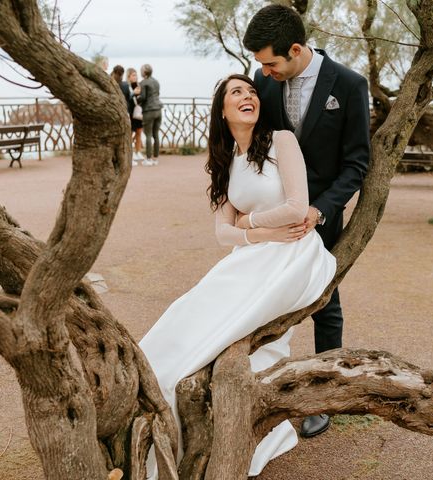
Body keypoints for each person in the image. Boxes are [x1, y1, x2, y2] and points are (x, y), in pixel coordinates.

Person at [139, 74, 336, 478]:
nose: (247, 96)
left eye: (251, 91)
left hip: (292, 253)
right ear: (223, 110)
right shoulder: (227, 162)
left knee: (233, 327)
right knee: (189, 310)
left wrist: (248, 220)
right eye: (236, 93)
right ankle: (154, 390)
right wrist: (257, 230)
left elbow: (298, 208)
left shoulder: (283, 140)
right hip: (253, 251)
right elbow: (222, 232)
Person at [243, 4, 371, 438]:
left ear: (295, 49)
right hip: (275, 214)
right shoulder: (264, 81)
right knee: (263, 295)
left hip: (323, 215)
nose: (264, 72)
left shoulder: (351, 86)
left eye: (270, 62)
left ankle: (324, 394)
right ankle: (257, 387)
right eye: (261, 65)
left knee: (324, 300)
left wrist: (320, 210)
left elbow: (356, 165)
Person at [136, 63, 162, 166]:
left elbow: (143, 97)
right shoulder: (156, 82)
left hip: (149, 110)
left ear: (144, 72)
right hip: (158, 109)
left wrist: (136, 98)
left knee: (148, 135)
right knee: (156, 134)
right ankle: (155, 158)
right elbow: (157, 94)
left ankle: (148, 158)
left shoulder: (143, 83)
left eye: (141, 70)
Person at [126, 67, 145, 164]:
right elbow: (127, 99)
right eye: (133, 75)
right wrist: (134, 93)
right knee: (130, 134)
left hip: (138, 112)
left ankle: (138, 152)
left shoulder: (138, 85)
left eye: (136, 75)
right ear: (128, 76)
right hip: (131, 112)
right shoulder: (127, 86)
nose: (135, 77)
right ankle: (130, 153)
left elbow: (141, 98)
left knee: (139, 132)